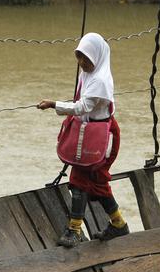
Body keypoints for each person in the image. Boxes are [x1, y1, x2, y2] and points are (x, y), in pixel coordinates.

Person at [38, 32, 129, 248]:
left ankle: (74, 229)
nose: (81, 63)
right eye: (78, 57)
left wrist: (54, 104)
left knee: (79, 179)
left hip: (101, 138)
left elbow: (82, 107)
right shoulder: (88, 75)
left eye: (86, 59)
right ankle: (118, 224)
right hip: (91, 134)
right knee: (96, 180)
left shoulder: (100, 80)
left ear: (97, 57)